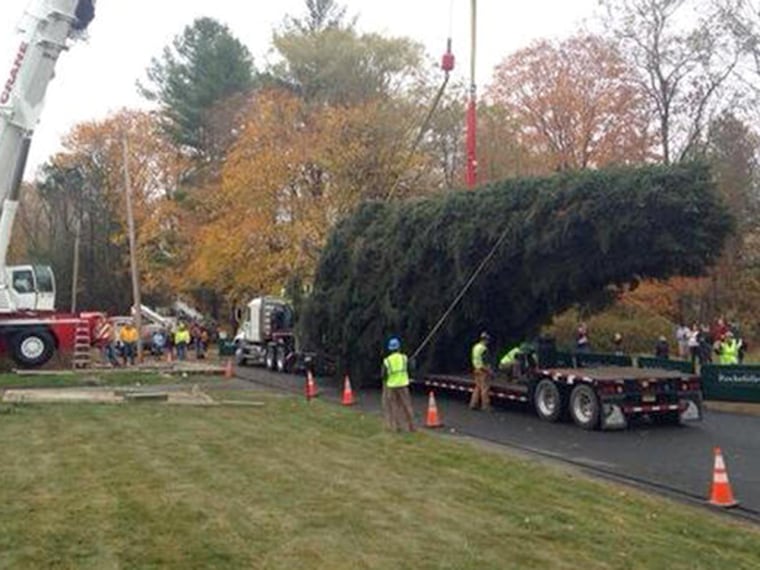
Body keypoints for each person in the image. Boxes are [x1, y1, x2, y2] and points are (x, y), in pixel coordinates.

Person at [381, 337, 415, 432]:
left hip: (391, 385)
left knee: (393, 406)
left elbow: (383, 374)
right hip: (403, 384)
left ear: (390, 349)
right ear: (399, 347)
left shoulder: (387, 361)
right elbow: (410, 368)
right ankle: (411, 427)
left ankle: (396, 427)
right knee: (407, 405)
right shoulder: (404, 358)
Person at [470, 332, 493, 411]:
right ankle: (485, 406)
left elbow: (475, 358)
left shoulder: (475, 347)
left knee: (477, 387)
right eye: (488, 340)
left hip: (476, 368)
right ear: (485, 340)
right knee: (485, 388)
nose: (488, 342)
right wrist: (489, 371)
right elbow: (485, 360)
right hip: (483, 370)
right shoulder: (483, 348)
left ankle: (473, 404)